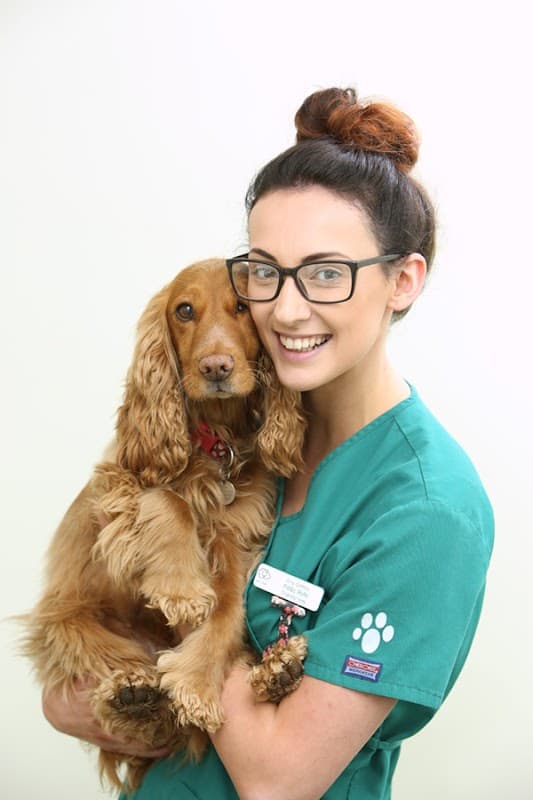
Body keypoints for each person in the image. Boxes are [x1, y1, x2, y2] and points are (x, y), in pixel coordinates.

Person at [42, 86, 494, 799]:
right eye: (262, 270)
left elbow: (277, 779)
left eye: (325, 273)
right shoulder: (234, 431)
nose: (283, 308)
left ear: (402, 281)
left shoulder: (424, 511)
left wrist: (194, 611)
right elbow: (65, 695)